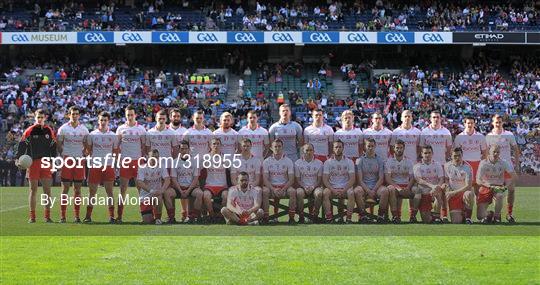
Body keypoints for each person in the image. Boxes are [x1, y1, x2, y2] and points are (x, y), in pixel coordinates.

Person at [16, 109, 56, 223]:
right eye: (38, 117)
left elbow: (53, 147)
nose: (40, 119)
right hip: (33, 163)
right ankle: (32, 217)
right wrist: (18, 158)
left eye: (42, 117)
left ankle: (47, 216)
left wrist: (53, 161)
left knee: (47, 191)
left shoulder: (49, 131)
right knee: (33, 190)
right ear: (35, 117)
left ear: (45, 118)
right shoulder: (30, 131)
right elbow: (22, 145)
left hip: (46, 163)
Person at [57, 106, 89, 223]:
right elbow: (59, 144)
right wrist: (64, 155)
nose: (74, 116)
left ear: (79, 115)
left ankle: (77, 216)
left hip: (79, 161)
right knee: (65, 189)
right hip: (67, 160)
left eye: (76, 114)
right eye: (72, 114)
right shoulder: (63, 129)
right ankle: (63, 216)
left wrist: (83, 154)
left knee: (78, 190)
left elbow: (87, 145)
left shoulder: (84, 130)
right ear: (68, 115)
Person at [485, 114, 520, 223]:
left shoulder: (509, 135)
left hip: (508, 168)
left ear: (502, 123)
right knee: (497, 192)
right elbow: (486, 153)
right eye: (496, 122)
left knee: (511, 190)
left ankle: (509, 214)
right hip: (495, 170)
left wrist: (517, 164)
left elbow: (516, 149)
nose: (498, 124)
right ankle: (497, 214)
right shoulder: (489, 136)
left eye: (500, 122)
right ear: (492, 123)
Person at [85, 111, 118, 223]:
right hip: (95, 166)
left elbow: (115, 152)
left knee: (110, 192)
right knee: (92, 192)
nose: (103, 122)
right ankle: (88, 216)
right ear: (98, 121)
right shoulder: (92, 135)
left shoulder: (113, 136)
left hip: (108, 166)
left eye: (105, 120)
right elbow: (88, 151)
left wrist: (115, 165)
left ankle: (112, 216)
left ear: (108, 121)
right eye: (101, 120)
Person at [116, 105, 147, 223]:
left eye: (131, 115)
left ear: (135, 115)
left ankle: (145, 216)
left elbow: (144, 146)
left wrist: (143, 161)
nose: (130, 117)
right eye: (128, 115)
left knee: (141, 190)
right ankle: (119, 216)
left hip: (138, 162)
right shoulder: (120, 129)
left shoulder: (141, 129)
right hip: (125, 162)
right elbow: (117, 145)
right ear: (125, 115)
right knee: (122, 189)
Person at [419, 110, 451, 220]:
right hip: (428, 166)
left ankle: (444, 215)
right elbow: (421, 149)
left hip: (442, 165)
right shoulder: (424, 132)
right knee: (426, 189)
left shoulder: (446, 132)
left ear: (441, 118)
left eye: (437, 117)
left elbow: (449, 150)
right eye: (434, 117)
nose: (436, 119)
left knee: (442, 190)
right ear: (430, 119)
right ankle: (424, 212)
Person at [165, 140, 204, 224]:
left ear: (189, 149)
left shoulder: (194, 161)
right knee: (167, 193)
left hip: (191, 188)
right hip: (178, 188)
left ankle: (194, 217)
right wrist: (180, 191)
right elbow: (174, 179)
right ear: (179, 150)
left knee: (200, 193)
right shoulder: (175, 161)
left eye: (186, 149)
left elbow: (195, 179)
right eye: (182, 149)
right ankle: (171, 217)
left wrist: (188, 191)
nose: (184, 150)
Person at [476, 145, 517, 223]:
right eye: (494, 152)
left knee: (500, 195)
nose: (496, 154)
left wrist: (505, 187)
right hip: (486, 186)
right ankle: (490, 214)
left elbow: (514, 176)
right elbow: (478, 180)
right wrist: (490, 186)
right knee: (479, 216)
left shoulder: (503, 162)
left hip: (499, 186)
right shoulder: (483, 163)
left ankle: (497, 216)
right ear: (489, 152)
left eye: (497, 152)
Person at [354, 138, 391, 223]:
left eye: (372, 146)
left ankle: (380, 216)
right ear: (365, 147)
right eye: (368, 146)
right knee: (357, 191)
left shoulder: (380, 160)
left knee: (385, 191)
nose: (370, 148)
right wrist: (368, 190)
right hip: (364, 186)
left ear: (375, 147)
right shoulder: (359, 160)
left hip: (376, 186)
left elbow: (381, 178)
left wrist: (373, 190)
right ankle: (363, 215)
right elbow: (359, 180)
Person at [261, 139, 296, 224]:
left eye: (279, 146)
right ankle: (266, 217)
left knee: (292, 191)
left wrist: (283, 189)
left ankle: (291, 218)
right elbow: (265, 179)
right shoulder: (266, 161)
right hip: (271, 187)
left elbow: (291, 179)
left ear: (282, 147)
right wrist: (273, 189)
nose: (277, 148)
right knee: (264, 191)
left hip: (284, 186)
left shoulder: (288, 161)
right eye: (275, 147)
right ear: (271, 148)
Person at [322, 140, 355, 223]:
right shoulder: (327, 162)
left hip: (345, 187)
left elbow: (352, 179)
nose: (338, 149)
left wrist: (344, 190)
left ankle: (348, 218)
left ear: (343, 148)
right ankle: (329, 218)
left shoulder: (349, 161)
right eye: (336, 147)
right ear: (333, 149)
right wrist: (333, 190)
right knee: (325, 193)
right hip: (332, 187)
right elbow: (325, 180)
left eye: (340, 147)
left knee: (351, 193)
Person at [453, 116, 487, 198]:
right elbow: (455, 153)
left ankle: (480, 209)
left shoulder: (480, 136)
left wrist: (482, 165)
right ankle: (465, 210)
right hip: (464, 165)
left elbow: (485, 152)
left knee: (478, 189)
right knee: (465, 189)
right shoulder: (459, 137)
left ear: (474, 124)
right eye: (468, 123)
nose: (470, 125)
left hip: (477, 164)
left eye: (472, 123)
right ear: (464, 124)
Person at [412, 145, 445, 223]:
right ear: (421, 154)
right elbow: (419, 180)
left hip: (435, 190)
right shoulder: (417, 166)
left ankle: (437, 216)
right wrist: (432, 186)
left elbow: (441, 179)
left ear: (432, 153)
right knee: (426, 220)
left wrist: (437, 187)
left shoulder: (437, 164)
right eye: (425, 153)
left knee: (438, 192)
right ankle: (416, 215)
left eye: (429, 153)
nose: (427, 155)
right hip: (424, 191)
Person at [136, 149, 171, 224]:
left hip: (157, 193)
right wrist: (151, 190)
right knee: (147, 221)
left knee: (158, 197)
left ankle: (158, 218)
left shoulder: (161, 167)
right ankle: (151, 215)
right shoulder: (142, 167)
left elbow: (167, 179)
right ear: (148, 157)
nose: (155, 159)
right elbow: (139, 182)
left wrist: (162, 190)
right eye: (153, 157)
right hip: (145, 195)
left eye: (157, 157)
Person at [385, 140, 415, 223]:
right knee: (391, 189)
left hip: (406, 185)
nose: (399, 150)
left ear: (404, 148)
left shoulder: (409, 161)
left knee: (416, 190)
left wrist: (408, 187)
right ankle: (395, 216)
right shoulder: (389, 161)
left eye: (401, 148)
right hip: (395, 186)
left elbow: (412, 177)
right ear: (393, 149)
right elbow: (388, 179)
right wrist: (398, 188)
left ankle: (413, 216)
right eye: (397, 148)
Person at [443, 147, 474, 224]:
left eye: (459, 155)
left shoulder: (467, 167)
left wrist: (454, 192)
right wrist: (448, 188)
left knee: (469, 193)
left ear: (462, 155)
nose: (457, 158)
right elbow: (446, 179)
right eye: (455, 156)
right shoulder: (447, 166)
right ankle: (462, 213)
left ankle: (468, 218)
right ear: (451, 156)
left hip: (463, 193)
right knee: (456, 221)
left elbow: (468, 186)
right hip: (453, 195)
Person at [168, 108, 189, 221]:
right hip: (168, 163)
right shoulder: (166, 130)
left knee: (183, 186)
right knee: (170, 189)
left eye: (177, 116)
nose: (176, 118)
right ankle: (171, 216)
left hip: (182, 163)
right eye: (174, 116)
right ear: (170, 117)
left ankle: (184, 214)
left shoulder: (185, 131)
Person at [294, 143, 324, 223]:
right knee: (299, 193)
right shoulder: (297, 163)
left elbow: (319, 180)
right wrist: (304, 187)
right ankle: (301, 216)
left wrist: (312, 187)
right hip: (302, 186)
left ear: (314, 151)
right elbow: (298, 179)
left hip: (315, 186)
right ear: (303, 151)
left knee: (319, 193)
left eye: (311, 150)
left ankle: (315, 215)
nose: (309, 152)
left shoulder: (319, 163)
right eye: (307, 150)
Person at [202, 138, 229, 223]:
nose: (216, 146)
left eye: (218, 144)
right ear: (210, 146)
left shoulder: (225, 157)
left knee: (226, 196)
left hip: (222, 185)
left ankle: (221, 216)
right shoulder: (206, 157)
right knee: (206, 195)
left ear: (221, 146)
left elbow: (231, 172)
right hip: (210, 185)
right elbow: (200, 172)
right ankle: (212, 215)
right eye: (214, 144)